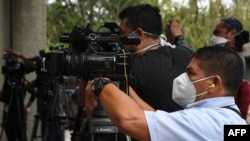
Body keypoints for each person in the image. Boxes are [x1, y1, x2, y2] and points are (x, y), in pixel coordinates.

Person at [84, 46, 247, 141]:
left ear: (214, 82)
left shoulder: (207, 122)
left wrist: (100, 84)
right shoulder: (231, 122)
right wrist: (126, 90)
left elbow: (130, 120)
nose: (183, 78)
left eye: (191, 73)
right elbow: (158, 121)